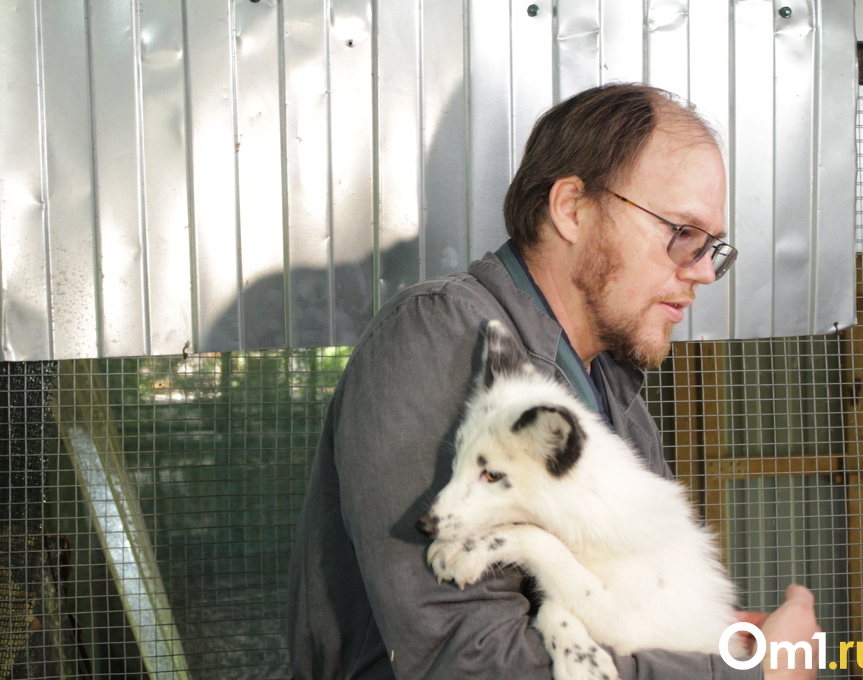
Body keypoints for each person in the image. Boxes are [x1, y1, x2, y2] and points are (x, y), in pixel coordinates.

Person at [286, 82, 820, 679]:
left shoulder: (611, 390)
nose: (703, 272)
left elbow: (626, 627)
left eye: (712, 247)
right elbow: (465, 660)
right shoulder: (442, 336)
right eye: (682, 233)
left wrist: (728, 645)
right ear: (571, 208)